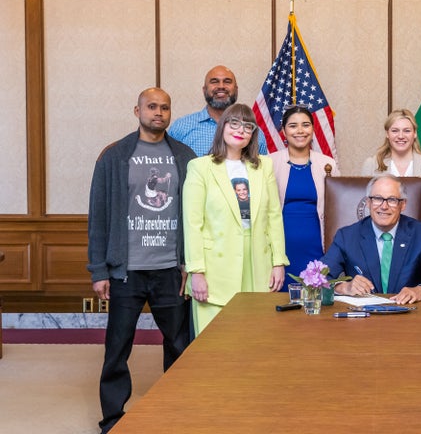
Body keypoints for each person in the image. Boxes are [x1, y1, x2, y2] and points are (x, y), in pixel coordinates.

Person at [87, 87, 195, 433]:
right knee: (118, 347)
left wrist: (189, 265)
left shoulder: (184, 155)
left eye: (165, 107)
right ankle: (113, 418)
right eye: (151, 107)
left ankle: (179, 412)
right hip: (126, 271)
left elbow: (194, 214)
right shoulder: (115, 156)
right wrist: (99, 269)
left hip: (170, 270)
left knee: (179, 345)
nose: (158, 113)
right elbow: (99, 215)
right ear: (137, 111)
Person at [182, 103, 288, 335]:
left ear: (252, 135)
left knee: (256, 338)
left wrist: (278, 262)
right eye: (234, 123)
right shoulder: (200, 167)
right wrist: (196, 272)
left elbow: (274, 217)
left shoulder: (264, 166)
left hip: (258, 262)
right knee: (216, 344)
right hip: (215, 267)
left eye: (248, 126)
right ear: (222, 127)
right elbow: (192, 224)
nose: (240, 130)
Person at [322, 174, 421, 304]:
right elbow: (315, 279)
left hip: (407, 314)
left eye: (392, 200)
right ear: (368, 202)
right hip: (363, 318)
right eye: (377, 198)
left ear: (402, 205)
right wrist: (344, 287)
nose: (384, 206)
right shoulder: (347, 236)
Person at [269, 105, 339, 291]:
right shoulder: (268, 162)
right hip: (280, 247)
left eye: (305, 125)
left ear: (313, 129)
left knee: (314, 302)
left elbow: (336, 209)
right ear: (283, 131)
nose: (300, 130)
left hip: (316, 244)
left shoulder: (327, 163)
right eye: (293, 126)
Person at [168, 65, 268, 156]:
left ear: (236, 89)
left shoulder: (253, 132)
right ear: (204, 90)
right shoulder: (181, 127)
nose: (221, 86)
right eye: (214, 82)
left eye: (227, 81)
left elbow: (259, 169)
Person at [361, 109, 421, 177]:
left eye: (407, 131)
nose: (401, 136)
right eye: (395, 131)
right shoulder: (371, 164)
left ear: (415, 133)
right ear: (387, 134)